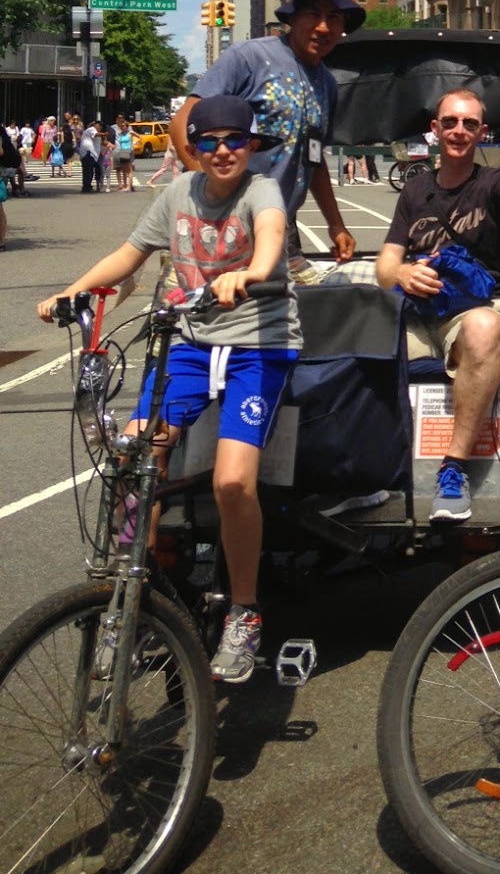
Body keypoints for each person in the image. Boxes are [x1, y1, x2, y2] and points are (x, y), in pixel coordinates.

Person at [36, 95, 301, 683]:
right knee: (132, 458)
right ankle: (129, 605)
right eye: (210, 141)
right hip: (188, 344)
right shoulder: (176, 196)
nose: (224, 150)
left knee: (234, 481)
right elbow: (128, 256)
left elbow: (272, 233)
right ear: (194, 150)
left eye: (235, 139)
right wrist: (70, 292)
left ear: (251, 145)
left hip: (258, 343)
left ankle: (244, 610)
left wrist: (252, 273)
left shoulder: (260, 191)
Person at [375, 89, 500, 521]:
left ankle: (453, 468)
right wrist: (403, 274)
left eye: (469, 124)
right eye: (450, 121)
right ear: (435, 129)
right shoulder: (414, 191)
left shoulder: (493, 181)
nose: (459, 130)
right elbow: (385, 265)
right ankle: (362, 469)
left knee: (483, 327)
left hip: (481, 309)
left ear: (482, 133)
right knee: (351, 326)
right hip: (420, 312)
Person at [172, 0, 364, 278]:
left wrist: (336, 225)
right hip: (223, 224)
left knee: (310, 316)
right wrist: (212, 192)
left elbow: (312, 158)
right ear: (292, 18)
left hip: (280, 228)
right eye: (313, 14)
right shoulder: (249, 58)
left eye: (334, 18)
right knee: (214, 318)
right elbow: (182, 122)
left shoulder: (327, 84)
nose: (324, 27)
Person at [77, 119, 102, 194]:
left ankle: (87, 186)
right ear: (95, 125)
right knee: (88, 171)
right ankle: (86, 187)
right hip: (88, 153)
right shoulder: (91, 129)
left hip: (92, 154)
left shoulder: (96, 132)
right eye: (99, 126)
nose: (99, 127)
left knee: (90, 171)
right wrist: (105, 134)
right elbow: (96, 135)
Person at [113, 116, 135, 192]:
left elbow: (139, 138)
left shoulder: (130, 131)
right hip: (121, 151)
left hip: (129, 151)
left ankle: (129, 186)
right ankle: (125, 186)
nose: (123, 126)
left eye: (124, 125)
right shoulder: (120, 133)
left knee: (129, 169)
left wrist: (133, 145)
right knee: (123, 169)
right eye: (122, 126)